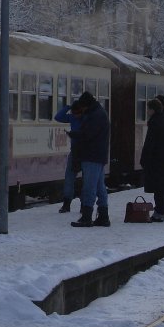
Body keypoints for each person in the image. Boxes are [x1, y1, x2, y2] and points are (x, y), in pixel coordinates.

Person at [68, 91, 111, 228]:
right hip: (98, 155)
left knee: (89, 187)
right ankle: (103, 216)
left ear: (86, 105)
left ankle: (86, 217)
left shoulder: (95, 116)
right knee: (100, 187)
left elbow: (88, 135)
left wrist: (74, 134)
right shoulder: (100, 113)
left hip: (92, 155)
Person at [141, 99, 164, 222]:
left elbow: (150, 142)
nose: (147, 111)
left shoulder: (154, 122)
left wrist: (144, 159)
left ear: (152, 109)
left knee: (158, 188)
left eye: (148, 108)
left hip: (156, 160)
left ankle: (159, 212)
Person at [54, 102, 84, 213]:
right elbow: (58, 117)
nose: (75, 115)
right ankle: (66, 203)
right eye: (73, 113)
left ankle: (84, 204)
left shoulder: (86, 119)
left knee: (85, 179)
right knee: (69, 178)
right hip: (75, 151)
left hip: (86, 151)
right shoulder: (73, 117)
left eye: (76, 113)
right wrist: (68, 107)